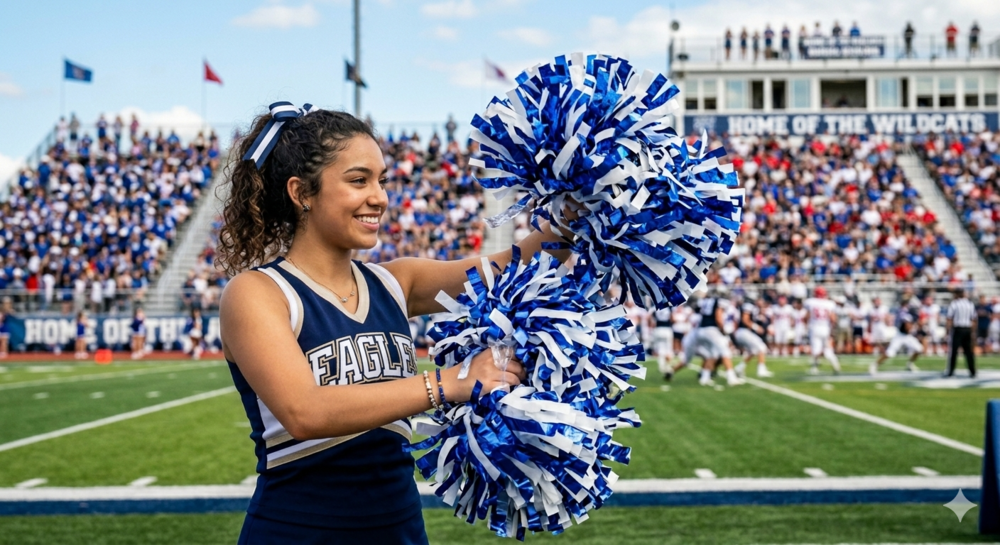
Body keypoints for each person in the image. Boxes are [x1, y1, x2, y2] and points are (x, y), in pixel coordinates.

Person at [216, 104, 568, 543]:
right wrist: (446, 384)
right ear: (301, 192)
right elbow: (303, 412)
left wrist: (575, 209)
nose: (379, 196)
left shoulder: (395, 281)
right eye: (358, 180)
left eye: (382, 180)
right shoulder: (257, 293)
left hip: (399, 530)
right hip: (298, 531)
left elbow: (517, 265)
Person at [869, 306, 921, 374]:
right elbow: (907, 327)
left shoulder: (913, 318)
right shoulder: (907, 317)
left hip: (907, 336)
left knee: (919, 349)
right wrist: (913, 327)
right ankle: (874, 365)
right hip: (900, 336)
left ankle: (910, 364)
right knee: (890, 353)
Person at [805, 287, 841, 375]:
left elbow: (807, 316)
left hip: (814, 328)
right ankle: (835, 364)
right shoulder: (829, 303)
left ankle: (815, 367)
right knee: (827, 349)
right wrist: (832, 328)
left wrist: (806, 324)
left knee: (816, 349)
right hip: (825, 328)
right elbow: (833, 318)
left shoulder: (810, 302)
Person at [945, 289, 976, 378]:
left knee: (954, 351)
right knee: (969, 352)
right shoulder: (970, 304)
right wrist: (972, 331)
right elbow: (974, 319)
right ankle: (972, 371)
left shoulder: (954, 304)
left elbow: (949, 318)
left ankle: (951, 371)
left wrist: (947, 330)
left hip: (958, 329)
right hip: (967, 329)